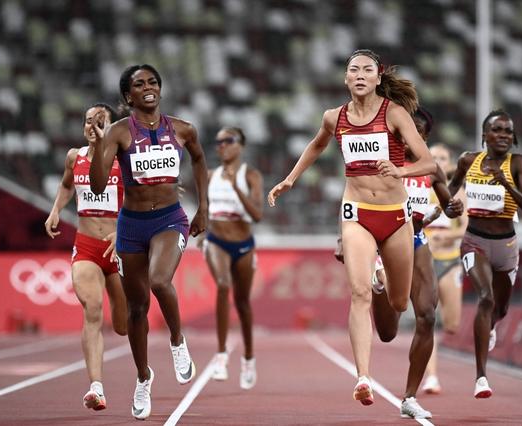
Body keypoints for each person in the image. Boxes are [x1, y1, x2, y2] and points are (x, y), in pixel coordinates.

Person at [268, 49, 436, 408]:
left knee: (398, 303)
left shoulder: (395, 113)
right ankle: (363, 377)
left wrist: (400, 171)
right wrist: (289, 180)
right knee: (356, 295)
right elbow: (315, 146)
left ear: (377, 79)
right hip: (356, 211)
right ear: (345, 79)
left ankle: (381, 283)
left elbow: (429, 162)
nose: (360, 74)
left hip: (395, 215)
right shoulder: (334, 117)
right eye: (353, 69)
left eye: (367, 70)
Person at [89, 64, 209, 420]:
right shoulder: (118, 132)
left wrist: (204, 208)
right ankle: (143, 377)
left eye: (152, 82)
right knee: (136, 308)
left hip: (170, 218)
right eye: (139, 84)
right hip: (132, 225)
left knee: (160, 280)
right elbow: (97, 186)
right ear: (129, 96)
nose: (147, 87)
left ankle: (177, 341)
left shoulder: (183, 129)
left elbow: (200, 160)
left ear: (160, 88)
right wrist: (98, 146)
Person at [369, 107, 463, 418]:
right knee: (387, 333)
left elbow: (448, 206)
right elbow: (354, 198)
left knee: (426, 315)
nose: (410, 138)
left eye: (418, 132)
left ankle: (409, 397)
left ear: (424, 136)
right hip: (384, 243)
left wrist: (454, 207)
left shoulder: (431, 168)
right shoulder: (383, 162)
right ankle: (379, 284)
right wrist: (345, 239)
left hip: (417, 240)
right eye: (405, 131)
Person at [448, 109, 522, 398]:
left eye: (508, 131)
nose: (503, 136)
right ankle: (481, 377)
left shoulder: (518, 163)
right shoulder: (468, 160)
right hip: (475, 241)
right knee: (485, 298)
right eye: (497, 130)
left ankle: (492, 325)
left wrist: (505, 182)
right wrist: (449, 206)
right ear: (484, 135)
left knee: (500, 309)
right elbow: (449, 190)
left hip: (507, 246)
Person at [45, 103, 126, 412]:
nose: (92, 125)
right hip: (87, 247)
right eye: (88, 120)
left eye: (99, 121)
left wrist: (123, 231)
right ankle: (96, 387)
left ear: (111, 126)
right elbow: (67, 185)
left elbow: (140, 199)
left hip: (119, 248)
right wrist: (55, 210)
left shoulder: (123, 159)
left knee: (122, 324)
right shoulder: (74, 157)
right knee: (92, 310)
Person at [199, 126, 264, 390]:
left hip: (244, 244)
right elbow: (203, 208)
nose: (221, 145)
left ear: (241, 145)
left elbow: (257, 215)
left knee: (243, 303)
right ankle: (221, 355)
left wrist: (236, 187)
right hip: (217, 242)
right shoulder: (210, 175)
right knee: (223, 285)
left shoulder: (250, 175)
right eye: (218, 142)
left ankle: (248, 358)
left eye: (228, 140)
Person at [420, 143, 468, 394]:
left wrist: (447, 238)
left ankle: (434, 369)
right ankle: (432, 377)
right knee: (428, 319)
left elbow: (465, 228)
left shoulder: (458, 193)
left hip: (449, 261)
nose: (437, 160)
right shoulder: (418, 188)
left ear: (449, 165)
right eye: (433, 156)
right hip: (425, 261)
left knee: (451, 325)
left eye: (442, 158)